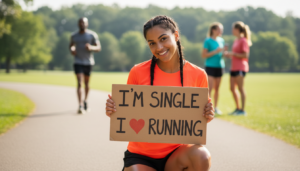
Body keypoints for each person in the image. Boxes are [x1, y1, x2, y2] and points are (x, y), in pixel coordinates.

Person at [106, 16, 215, 171]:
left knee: (202, 156)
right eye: (152, 43)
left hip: (176, 154)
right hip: (141, 155)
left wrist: (207, 115)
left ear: (176, 36)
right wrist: (114, 110)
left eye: (163, 39)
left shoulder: (198, 75)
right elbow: (127, 114)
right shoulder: (138, 72)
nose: (159, 47)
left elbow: (197, 121)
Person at [69, 17, 101, 114]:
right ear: (78, 24)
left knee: (86, 84)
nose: (82, 24)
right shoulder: (74, 36)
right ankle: (80, 105)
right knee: (79, 83)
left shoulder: (92, 35)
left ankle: (85, 100)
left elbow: (98, 48)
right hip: (78, 62)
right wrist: (72, 49)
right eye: (80, 23)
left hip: (88, 62)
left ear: (87, 24)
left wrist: (90, 47)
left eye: (84, 23)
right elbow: (71, 45)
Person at [224, 21, 252, 115]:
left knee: (241, 88)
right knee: (232, 88)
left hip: (241, 68)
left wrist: (233, 54)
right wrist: (229, 55)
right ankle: (237, 108)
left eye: (233, 29)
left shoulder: (243, 40)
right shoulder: (236, 40)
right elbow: (236, 55)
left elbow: (245, 55)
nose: (232, 30)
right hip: (233, 67)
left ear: (237, 29)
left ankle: (243, 110)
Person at [201, 22, 226, 115]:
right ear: (213, 30)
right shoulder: (208, 41)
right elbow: (204, 55)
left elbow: (221, 54)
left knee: (217, 89)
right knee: (209, 89)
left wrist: (225, 53)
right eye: (219, 29)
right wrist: (216, 51)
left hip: (220, 66)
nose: (221, 31)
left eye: (222, 30)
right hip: (210, 66)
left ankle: (216, 108)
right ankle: (208, 109)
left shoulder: (222, 40)